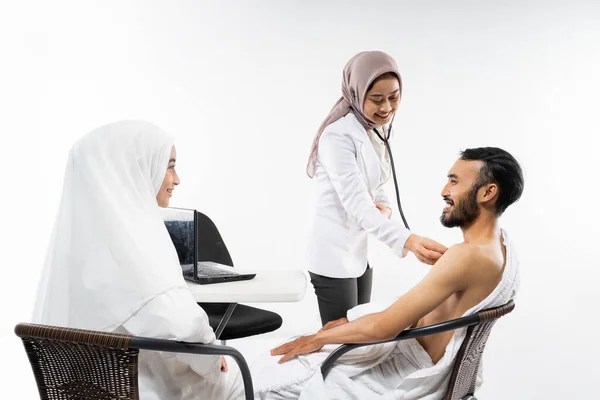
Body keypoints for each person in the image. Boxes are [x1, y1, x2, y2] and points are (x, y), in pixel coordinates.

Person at [253, 147, 523, 399]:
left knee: (263, 377)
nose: (444, 190)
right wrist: (354, 323)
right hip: (412, 357)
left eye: (454, 182)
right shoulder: (500, 249)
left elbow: (385, 326)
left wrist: (316, 339)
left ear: (487, 193)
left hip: (401, 372)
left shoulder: (467, 256)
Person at [32, 121, 243, 400]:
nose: (176, 179)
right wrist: (213, 357)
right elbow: (180, 323)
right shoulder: (135, 245)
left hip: (92, 390)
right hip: (143, 389)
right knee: (243, 374)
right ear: (135, 170)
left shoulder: (80, 246)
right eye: (169, 166)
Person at [306, 50, 449, 326]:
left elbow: (379, 179)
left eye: (394, 97)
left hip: (359, 253)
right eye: (377, 99)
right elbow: (358, 204)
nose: (386, 108)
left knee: (359, 337)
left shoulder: (374, 128)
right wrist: (410, 240)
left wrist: (384, 206)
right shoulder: (337, 136)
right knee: (342, 344)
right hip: (333, 253)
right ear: (358, 94)